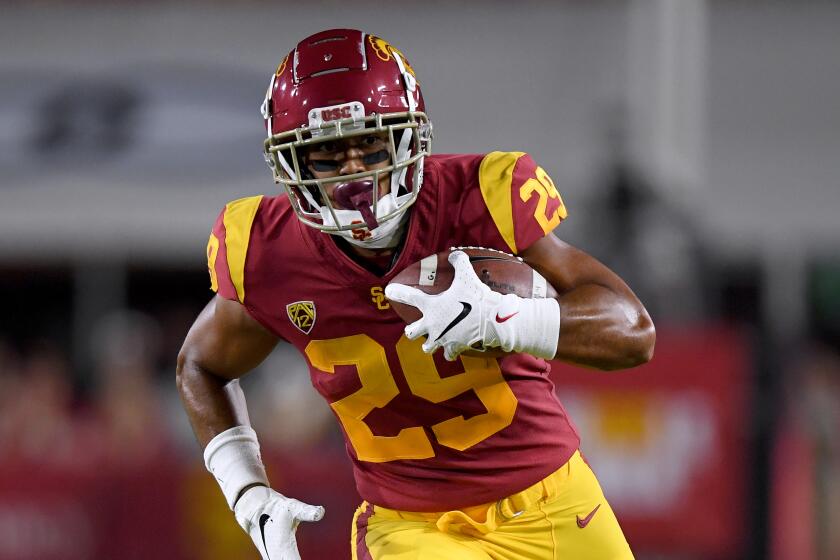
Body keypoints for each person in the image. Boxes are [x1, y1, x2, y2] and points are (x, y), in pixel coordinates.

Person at [177, 28, 655, 560]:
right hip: (412, 530)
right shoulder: (265, 252)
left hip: (556, 501)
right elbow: (200, 365)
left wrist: (508, 320)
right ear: (294, 165)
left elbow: (635, 334)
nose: (357, 174)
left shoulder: (480, 199)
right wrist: (245, 491)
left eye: (371, 143)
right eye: (329, 155)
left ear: (408, 139)